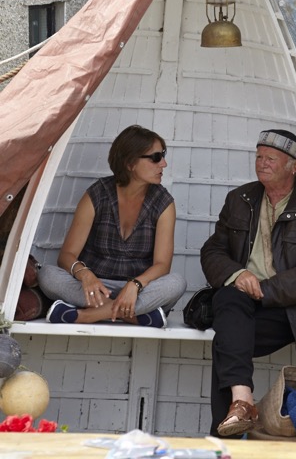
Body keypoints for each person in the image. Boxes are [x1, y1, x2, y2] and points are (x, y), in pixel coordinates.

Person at [200, 129, 296, 437]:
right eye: (258, 156)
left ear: (294, 167)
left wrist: (265, 289)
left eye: (270, 158)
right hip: (243, 303)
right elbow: (213, 249)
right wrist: (238, 275)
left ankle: (225, 438)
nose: (261, 163)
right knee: (229, 301)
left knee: (227, 342)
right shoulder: (240, 199)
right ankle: (242, 403)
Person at [38, 125, 187, 328]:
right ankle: (136, 317)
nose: (164, 163)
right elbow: (66, 256)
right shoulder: (97, 195)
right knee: (47, 275)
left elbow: (162, 265)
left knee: (176, 283)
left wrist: (134, 285)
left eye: (163, 155)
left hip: (139, 290)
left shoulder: (164, 203)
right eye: (155, 157)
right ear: (130, 163)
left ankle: (86, 315)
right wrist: (85, 275)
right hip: (95, 286)